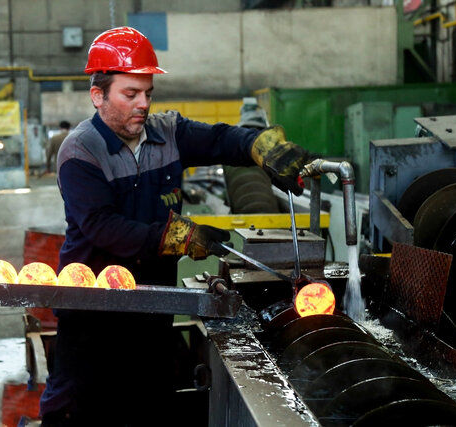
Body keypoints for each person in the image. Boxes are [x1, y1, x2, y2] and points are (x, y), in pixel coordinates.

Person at [39, 27, 309, 425]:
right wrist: (179, 236)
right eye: (130, 94)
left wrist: (260, 147)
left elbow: (220, 139)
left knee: (150, 409)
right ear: (98, 96)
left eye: (148, 93)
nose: (143, 104)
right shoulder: (80, 151)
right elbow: (102, 227)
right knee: (79, 412)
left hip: (154, 304)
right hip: (93, 311)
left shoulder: (168, 133)